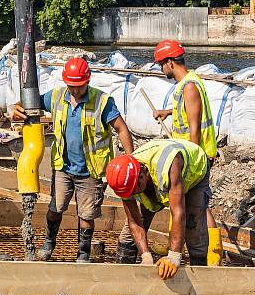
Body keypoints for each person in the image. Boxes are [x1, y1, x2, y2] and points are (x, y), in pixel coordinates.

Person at [13, 57, 135, 262]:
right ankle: (48, 244)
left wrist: (130, 159)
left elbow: (121, 128)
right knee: (55, 208)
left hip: (90, 170)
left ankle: (83, 253)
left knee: (86, 215)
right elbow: (28, 104)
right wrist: (15, 108)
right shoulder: (57, 96)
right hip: (63, 167)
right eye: (71, 86)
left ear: (87, 81)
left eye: (79, 86)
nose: (75, 91)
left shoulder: (102, 102)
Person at [150, 39, 222, 265]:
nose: (162, 69)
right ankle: (207, 252)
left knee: (197, 208)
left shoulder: (189, 86)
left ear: (170, 62)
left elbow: (195, 128)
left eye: (162, 64)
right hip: (190, 156)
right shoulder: (186, 85)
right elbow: (187, 110)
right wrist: (168, 112)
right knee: (197, 207)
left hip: (195, 157)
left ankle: (212, 255)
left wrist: (190, 163)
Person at [107, 138, 211, 279]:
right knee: (129, 233)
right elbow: (134, 221)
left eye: (135, 190)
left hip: (195, 171)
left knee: (193, 225)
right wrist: (145, 255)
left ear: (143, 175)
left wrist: (174, 255)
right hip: (156, 181)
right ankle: (121, 278)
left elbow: (178, 213)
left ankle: (200, 277)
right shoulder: (124, 178)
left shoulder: (169, 165)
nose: (133, 195)